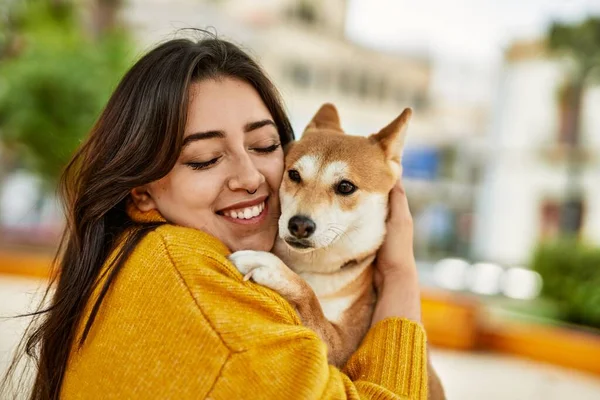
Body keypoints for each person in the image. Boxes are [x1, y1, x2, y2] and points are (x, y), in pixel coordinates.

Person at [4, 34, 436, 400]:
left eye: (266, 146)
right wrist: (399, 275)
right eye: (206, 159)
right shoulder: (212, 314)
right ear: (141, 192)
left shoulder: (144, 255)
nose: (250, 178)